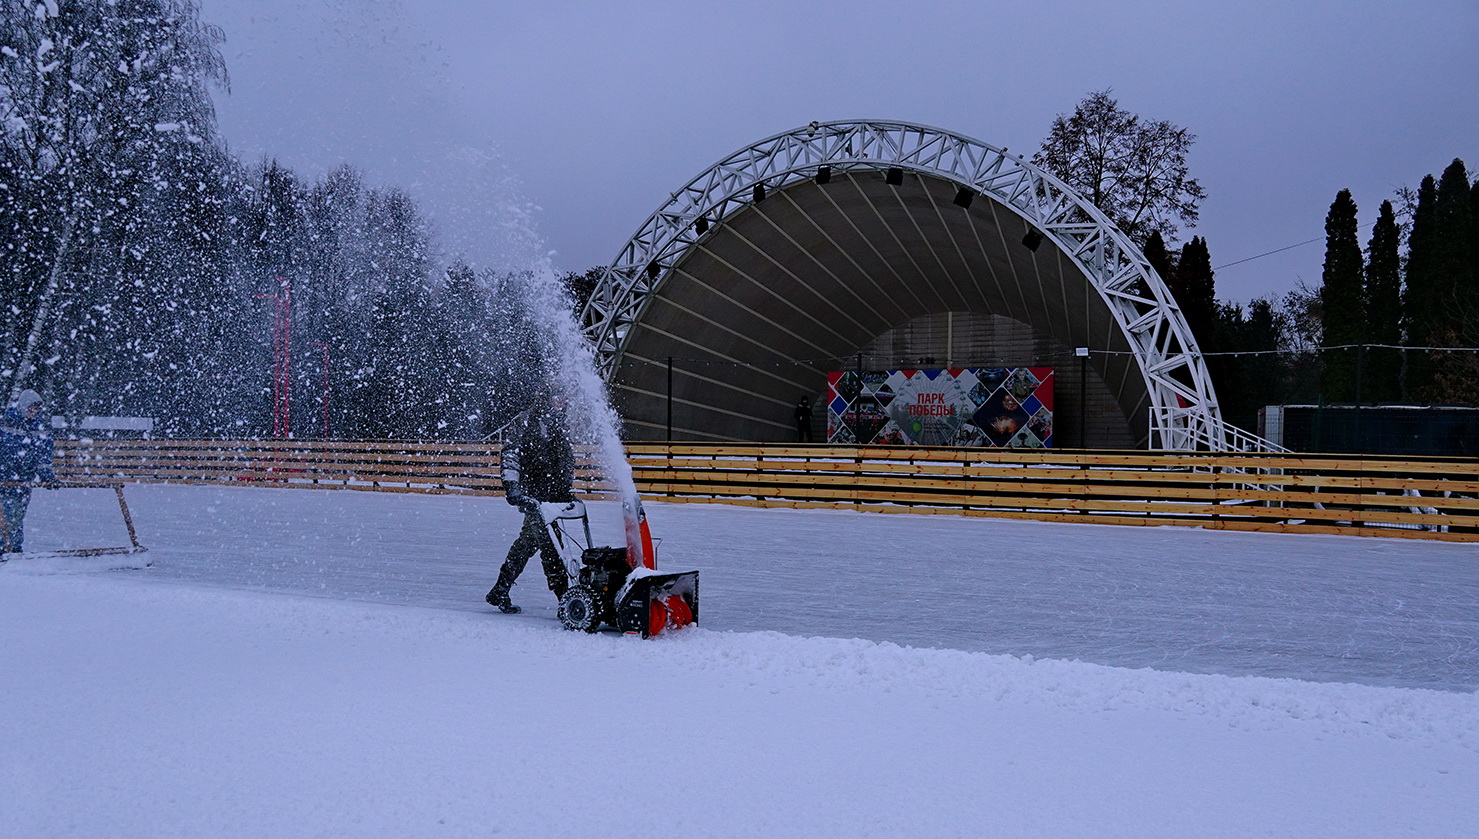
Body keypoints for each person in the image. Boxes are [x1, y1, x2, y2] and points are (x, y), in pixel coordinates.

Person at [486, 387, 576, 613]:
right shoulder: (527, 422)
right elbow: (511, 455)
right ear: (546, 399)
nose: (561, 402)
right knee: (551, 547)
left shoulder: (559, 424)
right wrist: (513, 487)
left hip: (552, 496)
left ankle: (500, 589)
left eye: (564, 399)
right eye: (557, 398)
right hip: (535, 495)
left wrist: (564, 489)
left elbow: (562, 459)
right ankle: (564, 599)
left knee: (527, 544)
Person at [1, 390, 57, 555]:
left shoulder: (41, 428)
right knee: (6, 514)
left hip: (24, 480)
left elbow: (43, 455)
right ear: (23, 406)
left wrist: (47, 475)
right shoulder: (5, 423)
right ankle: (5, 548)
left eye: (37, 409)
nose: (34, 412)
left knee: (17, 515)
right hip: (4, 477)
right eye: (31, 408)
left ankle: (13, 548)